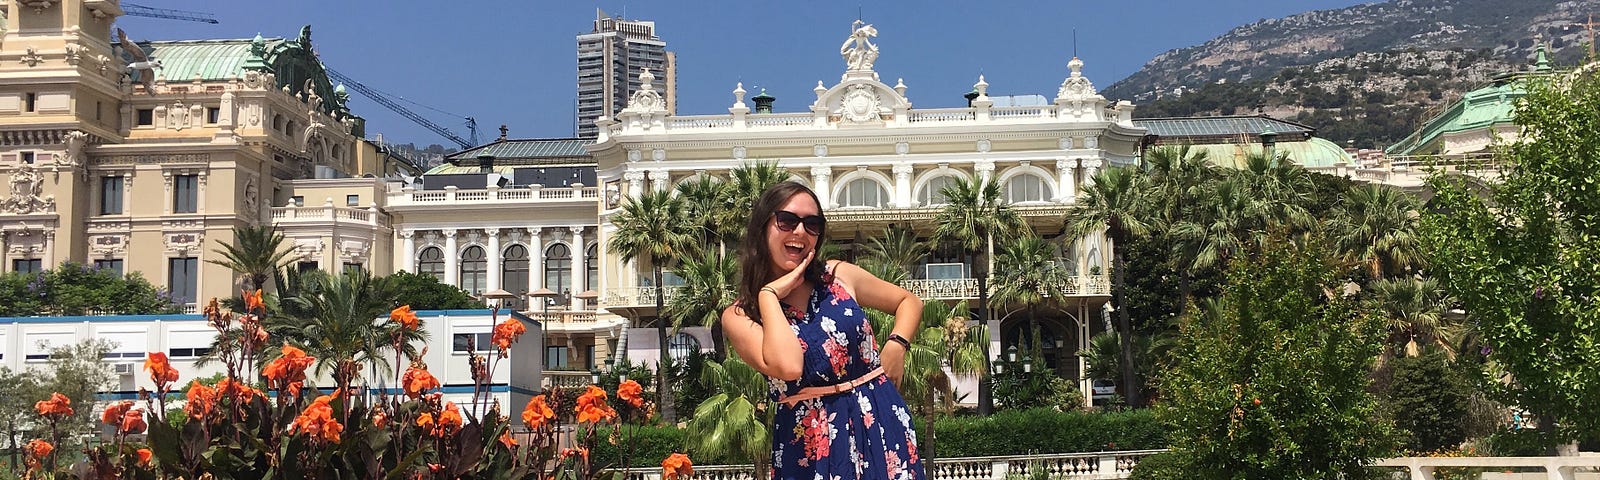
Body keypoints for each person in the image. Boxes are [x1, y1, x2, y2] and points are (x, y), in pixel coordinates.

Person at [722, 181, 926, 480]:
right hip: (810, 446)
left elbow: (908, 301)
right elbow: (790, 366)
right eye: (787, 221)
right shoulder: (741, 315)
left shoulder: (837, 276)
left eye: (812, 224)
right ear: (762, 227)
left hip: (880, 421)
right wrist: (769, 295)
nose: (800, 232)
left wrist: (896, 344)